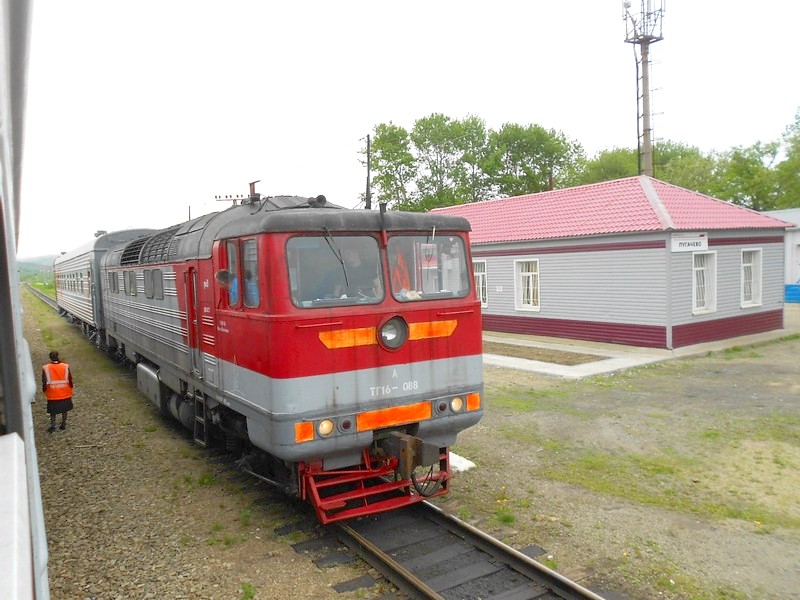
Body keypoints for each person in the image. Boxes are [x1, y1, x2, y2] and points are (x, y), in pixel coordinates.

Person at [42, 350, 74, 433]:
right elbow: (70, 379)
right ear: (58, 356)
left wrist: (44, 390)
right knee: (64, 409)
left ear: (50, 357)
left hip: (52, 393)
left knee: (53, 411)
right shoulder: (65, 366)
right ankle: (63, 424)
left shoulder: (46, 368)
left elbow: (44, 381)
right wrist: (71, 387)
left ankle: (53, 425)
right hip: (65, 392)